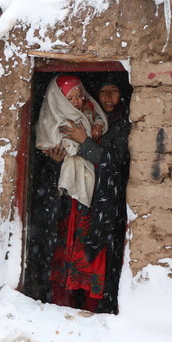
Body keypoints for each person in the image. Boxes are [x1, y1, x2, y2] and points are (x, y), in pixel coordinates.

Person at [26, 74, 128, 313]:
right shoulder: (63, 121)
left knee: (94, 255)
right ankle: (63, 304)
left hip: (100, 205)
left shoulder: (122, 124)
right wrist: (54, 161)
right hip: (71, 204)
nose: (108, 98)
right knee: (67, 252)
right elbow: (50, 166)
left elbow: (113, 164)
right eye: (103, 91)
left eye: (113, 90)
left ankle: (94, 307)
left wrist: (85, 142)